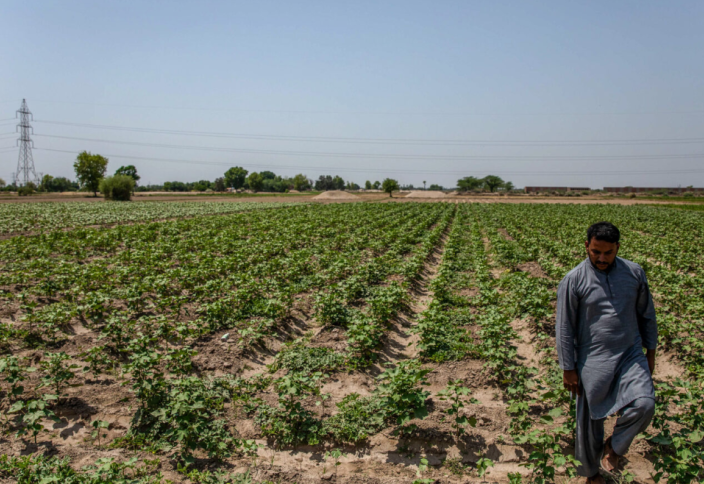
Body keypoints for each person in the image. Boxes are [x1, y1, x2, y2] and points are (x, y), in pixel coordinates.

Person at [556, 222, 657, 483]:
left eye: (608, 253)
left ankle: (614, 448)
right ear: (587, 246)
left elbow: (647, 315)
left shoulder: (634, 273)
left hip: (630, 354)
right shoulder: (574, 280)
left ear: (617, 248)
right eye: (596, 252)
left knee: (645, 403)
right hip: (593, 358)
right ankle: (592, 476)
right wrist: (568, 368)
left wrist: (651, 353)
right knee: (590, 424)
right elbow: (564, 328)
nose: (602, 258)